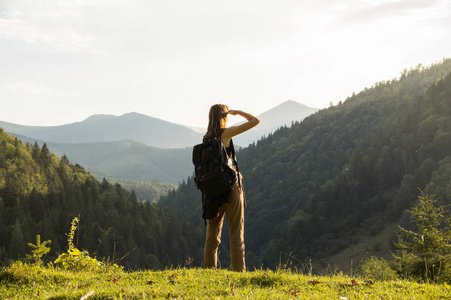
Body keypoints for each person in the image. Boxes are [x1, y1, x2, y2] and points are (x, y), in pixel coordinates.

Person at [203, 104, 260, 272]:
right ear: (224, 116)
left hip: (212, 192)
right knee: (236, 233)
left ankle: (208, 273)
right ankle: (239, 272)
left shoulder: (206, 138)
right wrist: (238, 112)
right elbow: (255, 121)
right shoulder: (225, 134)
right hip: (231, 190)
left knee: (212, 237)